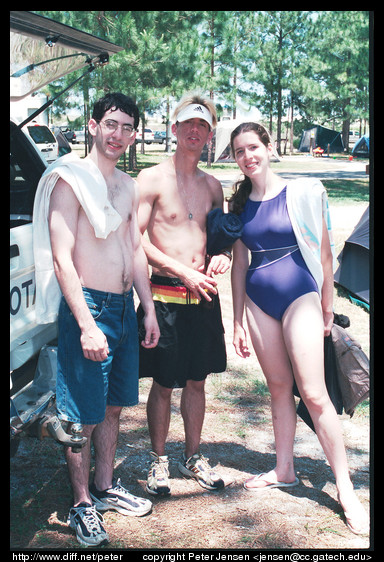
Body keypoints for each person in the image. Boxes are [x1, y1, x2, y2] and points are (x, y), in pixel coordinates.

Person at [229, 122, 369, 536]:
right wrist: (237, 318)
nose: (248, 156)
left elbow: (325, 255)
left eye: (253, 147)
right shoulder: (239, 204)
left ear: (268, 148)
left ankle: (346, 490)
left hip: (299, 295)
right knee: (277, 387)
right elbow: (239, 264)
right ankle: (284, 468)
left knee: (312, 391)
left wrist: (327, 308)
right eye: (240, 151)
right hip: (258, 300)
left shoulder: (302, 193)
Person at [33, 93, 160, 547]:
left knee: (112, 405)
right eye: (111, 124)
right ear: (92, 125)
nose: (118, 135)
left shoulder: (128, 185)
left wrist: (147, 307)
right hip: (89, 307)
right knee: (80, 412)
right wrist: (86, 323)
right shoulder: (69, 180)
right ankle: (82, 503)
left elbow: (135, 249)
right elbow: (63, 259)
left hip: (124, 308)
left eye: (127, 127)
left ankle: (105, 487)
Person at [136, 93, 230, 496]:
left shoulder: (213, 186)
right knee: (163, 382)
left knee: (197, 381)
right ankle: (158, 461)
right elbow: (134, 237)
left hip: (204, 299)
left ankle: (192, 455)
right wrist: (178, 270)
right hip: (165, 296)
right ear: (174, 129)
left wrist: (222, 255)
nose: (195, 130)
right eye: (188, 123)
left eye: (203, 125)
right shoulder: (152, 178)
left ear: (209, 135)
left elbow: (221, 238)